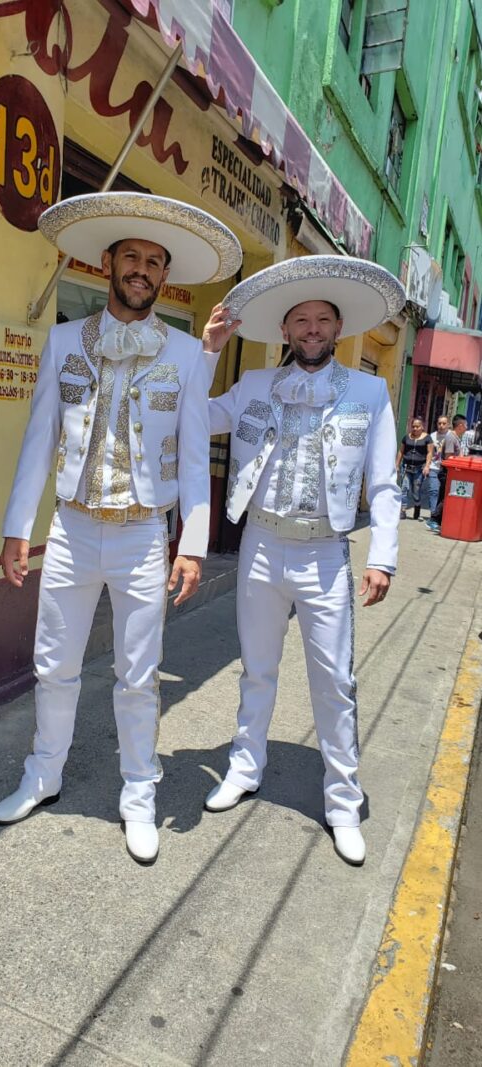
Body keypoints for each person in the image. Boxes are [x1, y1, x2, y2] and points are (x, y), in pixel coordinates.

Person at [0, 192, 242, 864]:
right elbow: (39, 439)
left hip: (139, 536)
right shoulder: (65, 339)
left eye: (153, 261)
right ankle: (43, 774)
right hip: (71, 530)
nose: (141, 268)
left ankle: (138, 792)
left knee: (139, 675)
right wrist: (20, 526)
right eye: (130, 256)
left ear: (165, 277)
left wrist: (191, 544)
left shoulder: (189, 355)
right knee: (54, 664)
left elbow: (193, 458)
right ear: (108, 263)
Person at [203, 255, 405, 867]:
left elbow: (386, 484)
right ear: (286, 332)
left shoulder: (370, 392)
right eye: (300, 321)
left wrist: (384, 558)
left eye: (322, 320)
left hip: (325, 553)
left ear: (338, 330)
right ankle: (245, 767)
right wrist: (208, 351)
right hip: (261, 545)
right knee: (256, 667)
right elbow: (193, 416)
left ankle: (342, 800)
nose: (311, 329)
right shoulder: (256, 386)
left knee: (334, 682)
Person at [425, 413, 468, 532]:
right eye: (465, 425)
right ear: (460, 425)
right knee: (447, 497)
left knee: (442, 496)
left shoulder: (454, 437)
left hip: (451, 472)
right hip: (447, 472)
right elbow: (449, 458)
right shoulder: (451, 438)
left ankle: (436, 522)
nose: (466, 428)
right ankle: (433, 519)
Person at [395, 416, 433, 520]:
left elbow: (430, 452)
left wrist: (427, 466)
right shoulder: (406, 437)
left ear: (422, 427)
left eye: (417, 426)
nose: (415, 428)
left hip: (419, 469)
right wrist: (397, 464)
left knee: (416, 491)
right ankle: (402, 510)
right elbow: (401, 451)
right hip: (406, 467)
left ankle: (417, 507)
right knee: (404, 488)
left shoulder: (427, 438)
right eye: (413, 426)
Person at [426, 414, 449, 515]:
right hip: (434, 467)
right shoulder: (432, 436)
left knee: (442, 493)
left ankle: (439, 514)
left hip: (445, 468)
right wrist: (427, 465)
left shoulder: (450, 436)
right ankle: (433, 514)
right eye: (439, 423)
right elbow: (429, 452)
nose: (441, 425)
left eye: (444, 423)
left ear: (448, 424)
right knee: (433, 490)